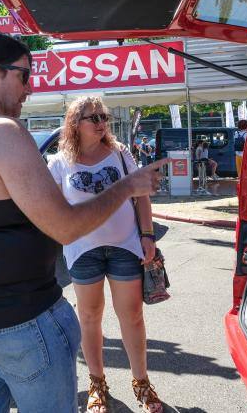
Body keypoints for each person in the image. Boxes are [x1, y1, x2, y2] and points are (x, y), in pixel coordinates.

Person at [0, 29, 167, 413]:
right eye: (24, 75)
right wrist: (128, 186)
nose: (29, 89)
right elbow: (65, 226)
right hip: (21, 322)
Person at [47, 95, 163, 413]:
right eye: (93, 118)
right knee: (89, 317)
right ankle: (97, 384)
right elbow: (53, 210)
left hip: (125, 245)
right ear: (75, 123)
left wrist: (148, 234)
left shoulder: (119, 154)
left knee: (133, 317)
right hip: (83, 249)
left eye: (104, 117)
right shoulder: (59, 162)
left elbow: (141, 196)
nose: (101, 124)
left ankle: (142, 382)